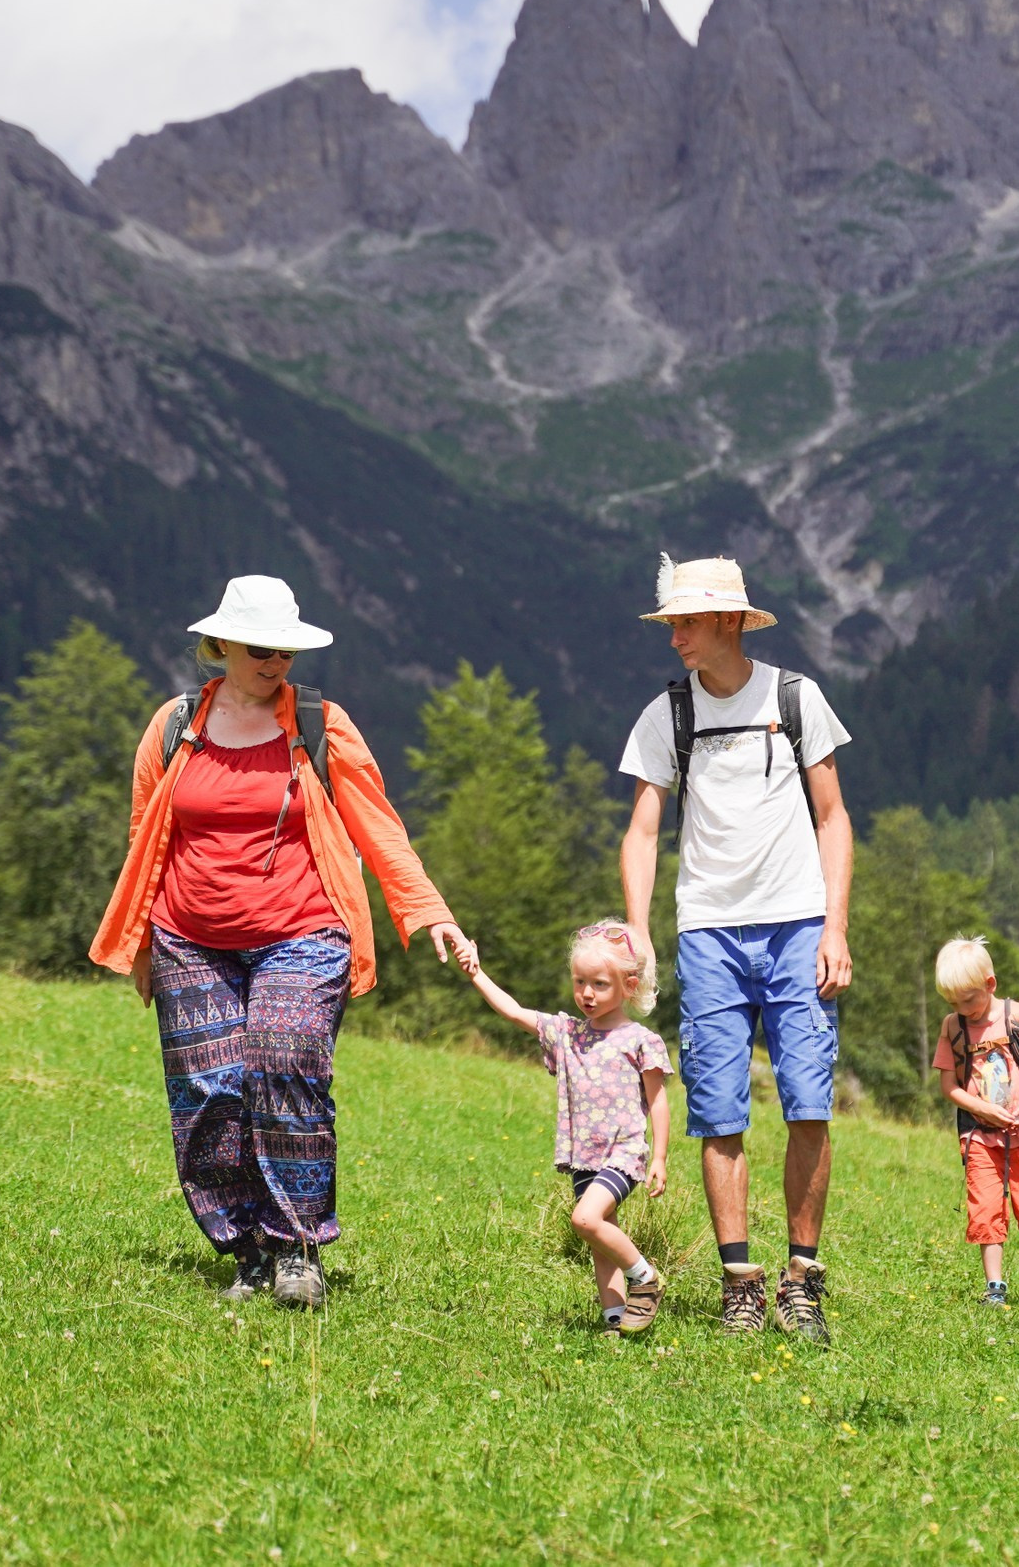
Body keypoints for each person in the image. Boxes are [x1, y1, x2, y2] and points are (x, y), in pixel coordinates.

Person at [90, 574, 472, 1310]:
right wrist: (140, 945)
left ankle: (298, 1245)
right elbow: (146, 833)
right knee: (209, 1093)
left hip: (304, 928)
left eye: (286, 651)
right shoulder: (175, 725)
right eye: (261, 650)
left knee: (285, 1061)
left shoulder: (321, 724)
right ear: (222, 645)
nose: (275, 663)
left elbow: (378, 827)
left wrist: (431, 912)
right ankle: (246, 1251)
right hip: (188, 937)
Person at [618, 554, 854, 1343]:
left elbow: (833, 816)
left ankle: (802, 1279)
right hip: (708, 932)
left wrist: (835, 926)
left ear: (729, 620)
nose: (674, 636)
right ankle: (741, 1284)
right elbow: (642, 830)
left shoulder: (795, 697)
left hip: (798, 925)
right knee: (718, 1112)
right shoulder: (667, 713)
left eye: (686, 622)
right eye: (672, 623)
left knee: (808, 1104)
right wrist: (639, 928)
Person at [463, 921, 673, 1334]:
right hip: (583, 1156)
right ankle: (615, 1319)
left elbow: (658, 1101)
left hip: (623, 1154)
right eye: (580, 982)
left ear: (629, 986)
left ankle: (645, 1277)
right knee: (600, 1238)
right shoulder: (568, 1033)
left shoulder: (640, 1040)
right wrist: (476, 973)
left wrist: (660, 1157)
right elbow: (514, 1011)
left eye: (599, 984)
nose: (587, 993)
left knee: (585, 1220)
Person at [932, 938, 1019, 1308]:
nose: (962, 1010)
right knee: (985, 1208)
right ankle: (995, 1287)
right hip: (978, 1135)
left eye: (968, 1000)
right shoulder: (952, 1027)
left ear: (990, 984)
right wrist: (981, 1109)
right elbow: (949, 1086)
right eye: (953, 1003)